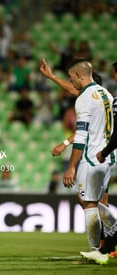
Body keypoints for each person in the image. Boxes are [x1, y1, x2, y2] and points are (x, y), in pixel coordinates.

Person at [63, 59, 114, 253]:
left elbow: (82, 135)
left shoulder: (84, 99)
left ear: (78, 75)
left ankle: (94, 251)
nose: (71, 83)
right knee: (91, 201)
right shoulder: (105, 94)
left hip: (91, 157)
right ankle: (113, 230)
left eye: (71, 78)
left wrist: (71, 166)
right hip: (107, 157)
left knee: (90, 204)